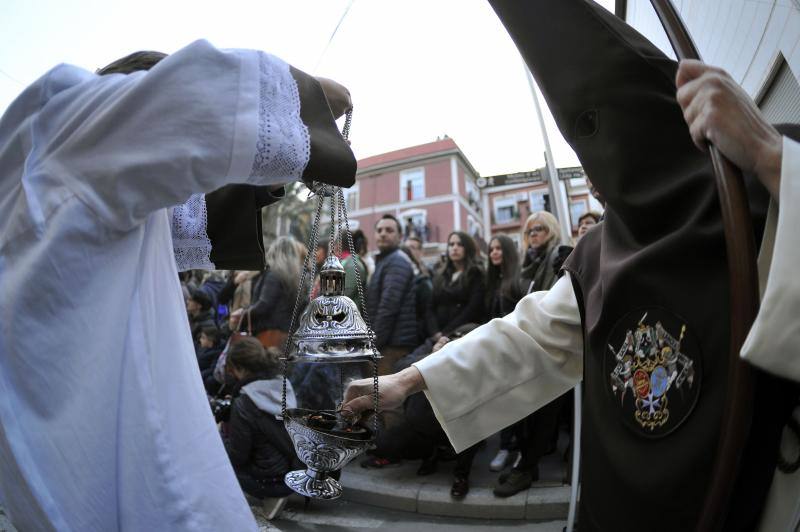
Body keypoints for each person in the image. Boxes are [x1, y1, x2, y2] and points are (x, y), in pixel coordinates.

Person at [345, 1, 798, 529]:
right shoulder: (600, 250)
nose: (598, 176)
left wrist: (770, 156)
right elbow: (526, 337)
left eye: (610, 141)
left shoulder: (760, 187)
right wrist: (407, 380)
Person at [0, 40, 355, 531]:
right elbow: (193, 100)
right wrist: (307, 98)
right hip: (81, 394)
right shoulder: (73, 117)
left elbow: (190, 214)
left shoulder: (93, 169)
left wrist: (270, 180)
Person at [223, 338, 299, 519]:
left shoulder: (245, 401)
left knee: (216, 451)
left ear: (240, 369)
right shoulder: (283, 385)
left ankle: (270, 496)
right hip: (298, 469)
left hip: (271, 480)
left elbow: (238, 455)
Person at [484, 235, 524, 473]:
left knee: (516, 401)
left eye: (499, 248)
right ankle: (506, 446)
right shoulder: (494, 280)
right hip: (497, 349)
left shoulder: (517, 279)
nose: (494, 253)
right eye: (491, 249)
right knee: (503, 400)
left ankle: (513, 448)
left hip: (515, 350)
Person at [230, 236, 306, 347]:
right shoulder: (299, 278)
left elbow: (264, 305)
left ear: (274, 252)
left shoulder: (273, 275)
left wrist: (243, 313)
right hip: (289, 335)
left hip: (268, 335)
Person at [366, 214, 417, 375]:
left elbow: (388, 308)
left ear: (400, 236)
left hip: (392, 347)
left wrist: (373, 344)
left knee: (380, 397)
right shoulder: (385, 261)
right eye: (379, 230)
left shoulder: (396, 262)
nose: (383, 233)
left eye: (389, 230)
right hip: (385, 344)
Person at [426, 231, 486, 341]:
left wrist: (445, 333)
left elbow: (471, 309)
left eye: (460, 244)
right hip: (436, 336)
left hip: (461, 335)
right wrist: (435, 332)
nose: (454, 248)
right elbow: (430, 307)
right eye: (451, 244)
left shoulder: (476, 274)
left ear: (467, 248)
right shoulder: (440, 276)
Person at [519, 211, 563, 294]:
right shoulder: (527, 260)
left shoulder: (558, 254)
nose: (532, 234)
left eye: (538, 229)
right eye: (529, 231)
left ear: (551, 230)